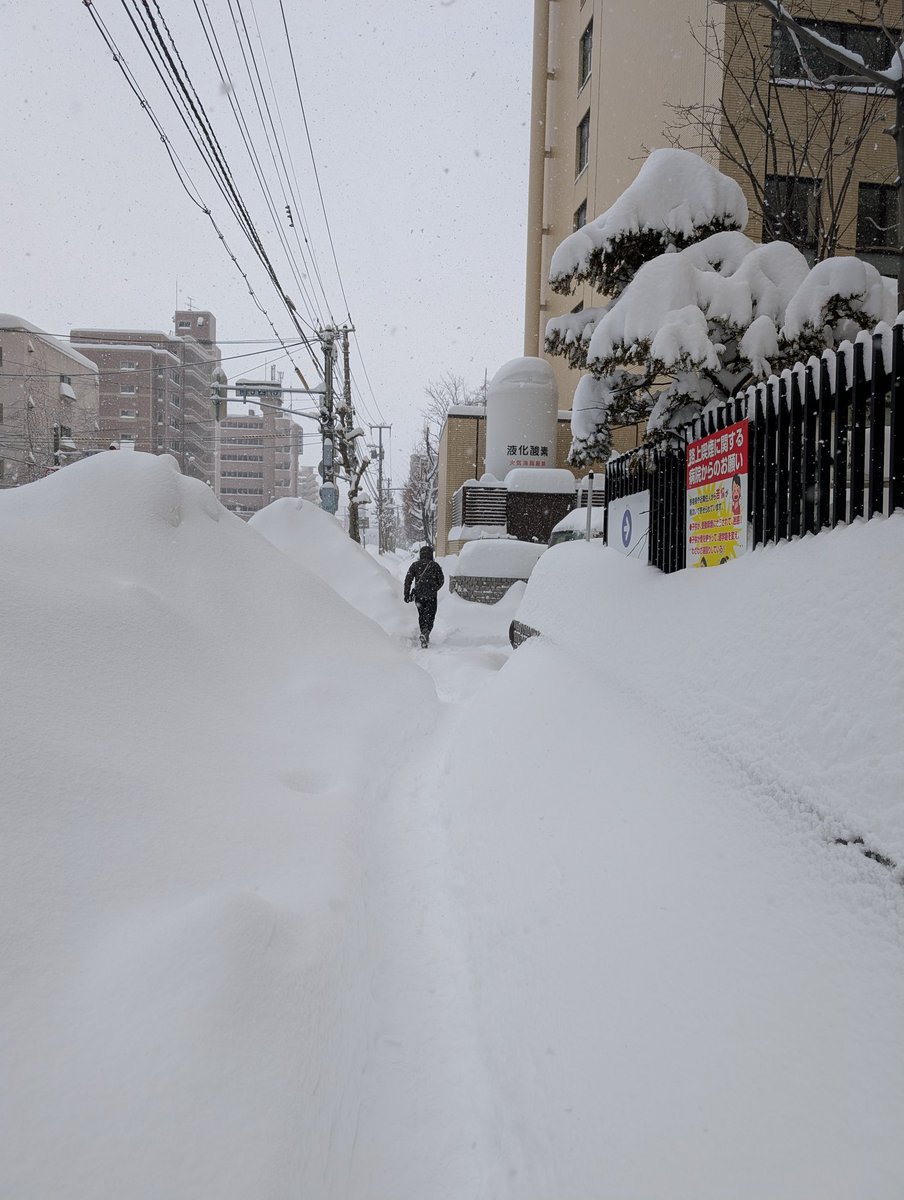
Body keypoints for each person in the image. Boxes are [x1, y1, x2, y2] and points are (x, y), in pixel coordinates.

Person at [404, 545, 444, 648]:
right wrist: (434, 588)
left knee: (422, 616)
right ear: (431, 554)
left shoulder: (415, 565)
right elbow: (441, 581)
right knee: (430, 616)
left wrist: (406, 594)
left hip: (419, 596)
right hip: (431, 596)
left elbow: (408, 580)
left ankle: (423, 631)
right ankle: (426, 633)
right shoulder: (435, 566)